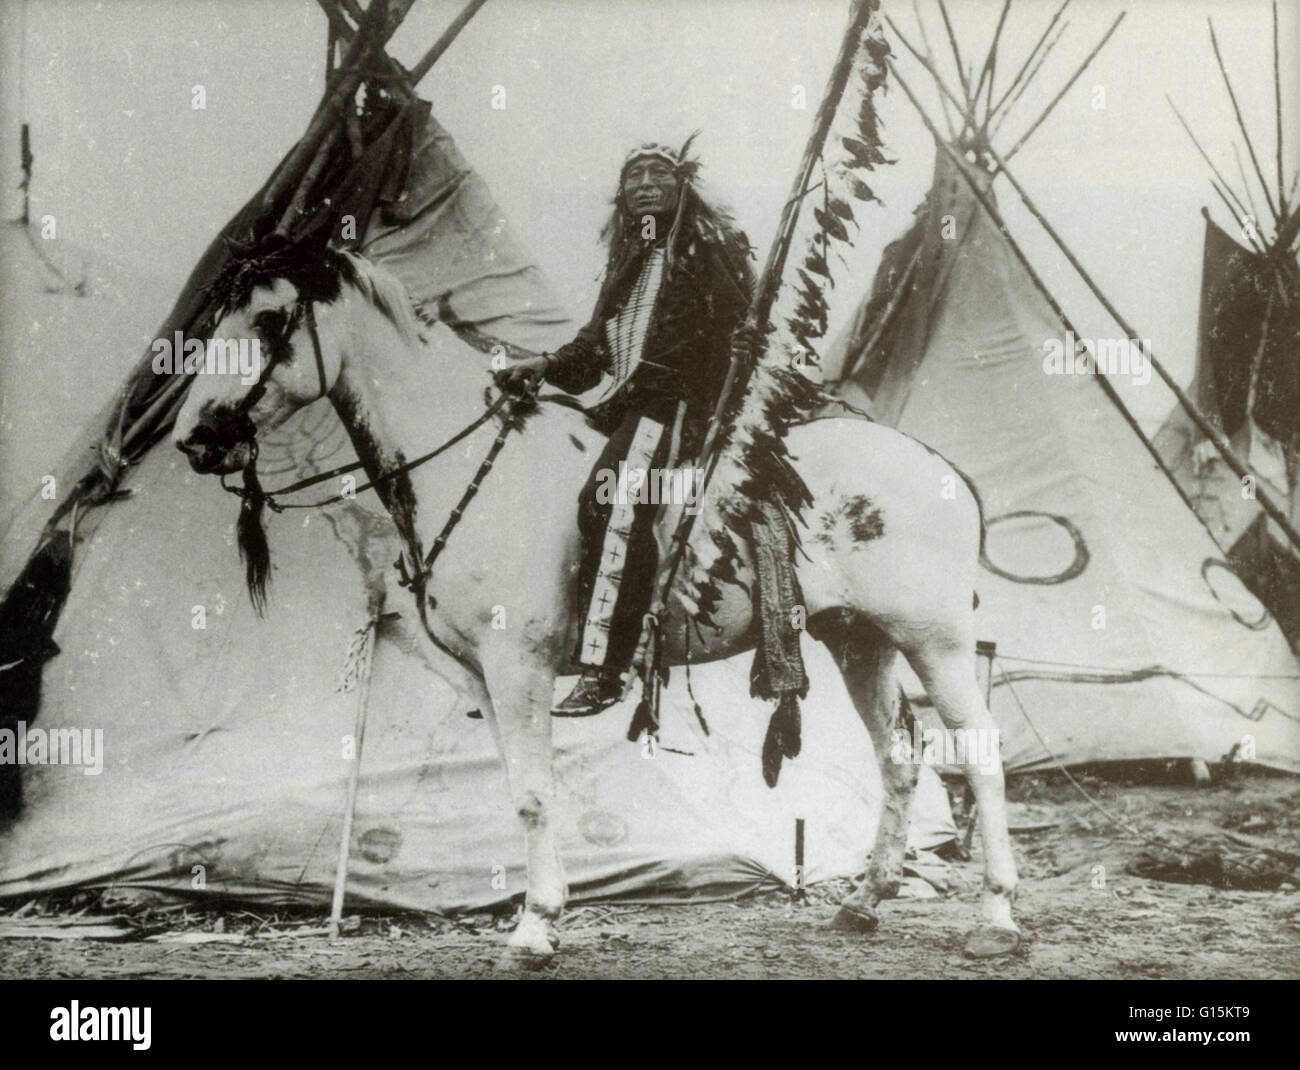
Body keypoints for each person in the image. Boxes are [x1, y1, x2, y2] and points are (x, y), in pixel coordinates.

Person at [497, 137, 755, 715]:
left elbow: (745, 327)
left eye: (657, 172)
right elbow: (593, 351)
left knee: (608, 503)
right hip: (624, 407)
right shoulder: (627, 262)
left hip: (676, 408)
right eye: (633, 174)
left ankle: (607, 670)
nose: (643, 182)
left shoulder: (709, 248)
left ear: (681, 183)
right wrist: (543, 367)